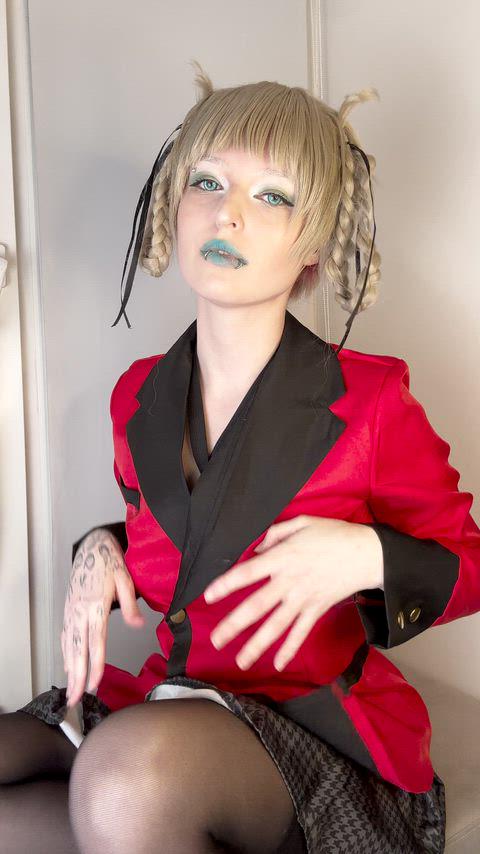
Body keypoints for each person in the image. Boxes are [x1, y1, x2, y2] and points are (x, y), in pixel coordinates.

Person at [3, 60, 480, 854]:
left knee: (124, 778)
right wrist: (100, 547)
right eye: (208, 182)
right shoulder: (136, 396)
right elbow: (185, 532)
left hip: (311, 735)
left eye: (273, 196)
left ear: (314, 241)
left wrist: (365, 553)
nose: (228, 213)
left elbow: (468, 562)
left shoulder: (371, 403)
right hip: (167, 702)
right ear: (175, 204)